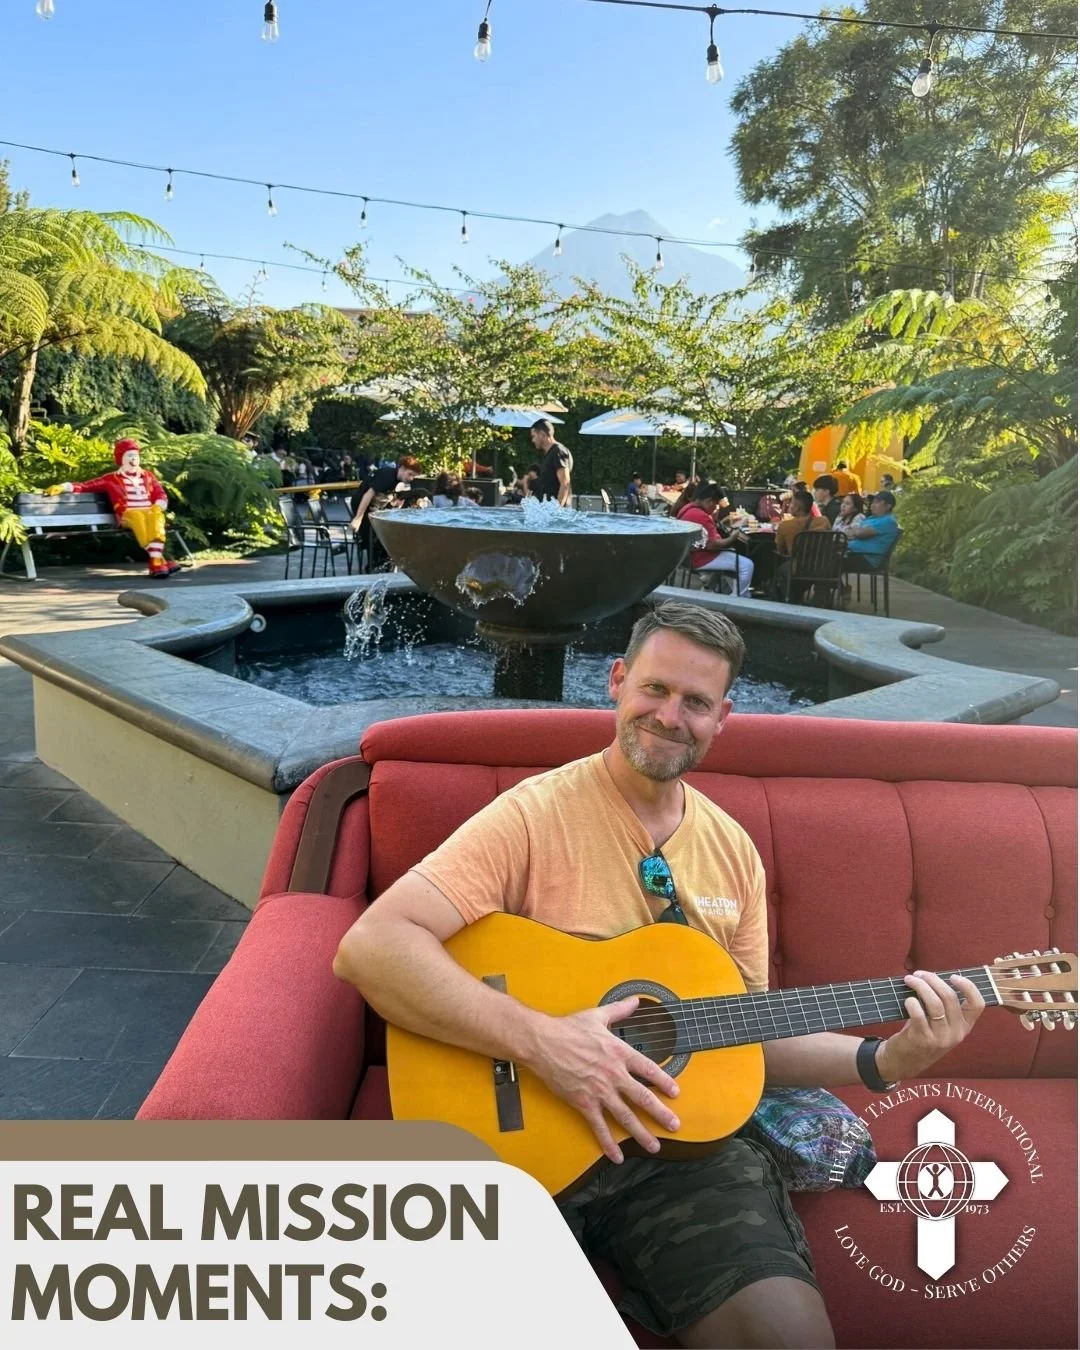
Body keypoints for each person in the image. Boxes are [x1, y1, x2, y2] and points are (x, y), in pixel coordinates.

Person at [332, 601, 985, 1349]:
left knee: (789, 1338)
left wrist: (885, 1059)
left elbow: (744, 1036)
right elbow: (373, 946)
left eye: (697, 702)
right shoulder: (534, 815)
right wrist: (546, 1043)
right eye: (656, 690)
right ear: (617, 682)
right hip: (513, 1142)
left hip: (681, 1156)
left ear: (723, 717)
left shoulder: (732, 852)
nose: (670, 716)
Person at [44, 438, 182, 579]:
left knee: (156, 519)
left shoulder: (148, 476)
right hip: (128, 514)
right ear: (121, 459)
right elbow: (86, 486)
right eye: (129, 455)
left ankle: (157, 563)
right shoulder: (111, 479)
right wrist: (64, 486)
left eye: (135, 455)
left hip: (150, 510)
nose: (133, 459)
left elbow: (160, 493)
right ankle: (158, 562)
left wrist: (158, 505)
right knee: (138, 518)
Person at [676, 483, 754, 597]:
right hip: (701, 557)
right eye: (716, 504)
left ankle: (722, 592)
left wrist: (720, 522)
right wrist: (732, 537)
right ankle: (739, 599)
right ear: (709, 501)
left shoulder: (687, 509)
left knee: (733, 558)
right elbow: (713, 545)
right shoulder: (701, 516)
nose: (716, 507)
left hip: (687, 556)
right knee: (747, 565)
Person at [350, 455, 422, 570]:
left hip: (372, 508)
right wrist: (358, 518)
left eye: (414, 476)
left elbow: (382, 496)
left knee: (383, 533)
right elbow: (369, 494)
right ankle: (374, 567)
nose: (411, 478)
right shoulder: (388, 476)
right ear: (402, 468)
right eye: (410, 474)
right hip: (362, 505)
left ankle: (381, 565)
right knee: (375, 536)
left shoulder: (395, 479)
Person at [773, 489, 830, 602]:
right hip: (822, 567)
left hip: (797, 567)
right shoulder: (824, 521)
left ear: (797, 508)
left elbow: (780, 550)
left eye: (791, 503)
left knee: (779, 571)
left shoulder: (785, 526)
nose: (789, 505)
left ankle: (790, 600)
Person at [843, 490, 900, 571]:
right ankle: (833, 583)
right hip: (854, 554)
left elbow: (860, 533)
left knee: (830, 560)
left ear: (888, 506)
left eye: (877, 502)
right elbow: (849, 533)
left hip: (867, 559)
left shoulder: (888, 521)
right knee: (827, 557)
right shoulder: (872, 518)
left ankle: (831, 583)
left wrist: (855, 529)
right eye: (872, 503)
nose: (872, 505)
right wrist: (855, 531)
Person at [530, 419, 573, 506]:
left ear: (542, 434)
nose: (533, 440)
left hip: (554, 512)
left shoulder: (558, 452)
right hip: (546, 510)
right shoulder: (550, 453)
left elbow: (565, 484)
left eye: (534, 436)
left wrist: (557, 511)